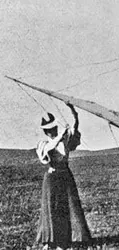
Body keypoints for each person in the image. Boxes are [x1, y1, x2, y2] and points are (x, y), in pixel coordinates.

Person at [35, 103, 91, 249]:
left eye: (53, 128)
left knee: (66, 207)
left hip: (65, 176)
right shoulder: (44, 144)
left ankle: (65, 240)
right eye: (49, 130)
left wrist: (75, 114)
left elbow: (74, 130)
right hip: (52, 179)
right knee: (51, 208)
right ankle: (50, 241)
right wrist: (61, 135)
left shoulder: (64, 141)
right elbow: (49, 148)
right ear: (46, 132)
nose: (51, 131)